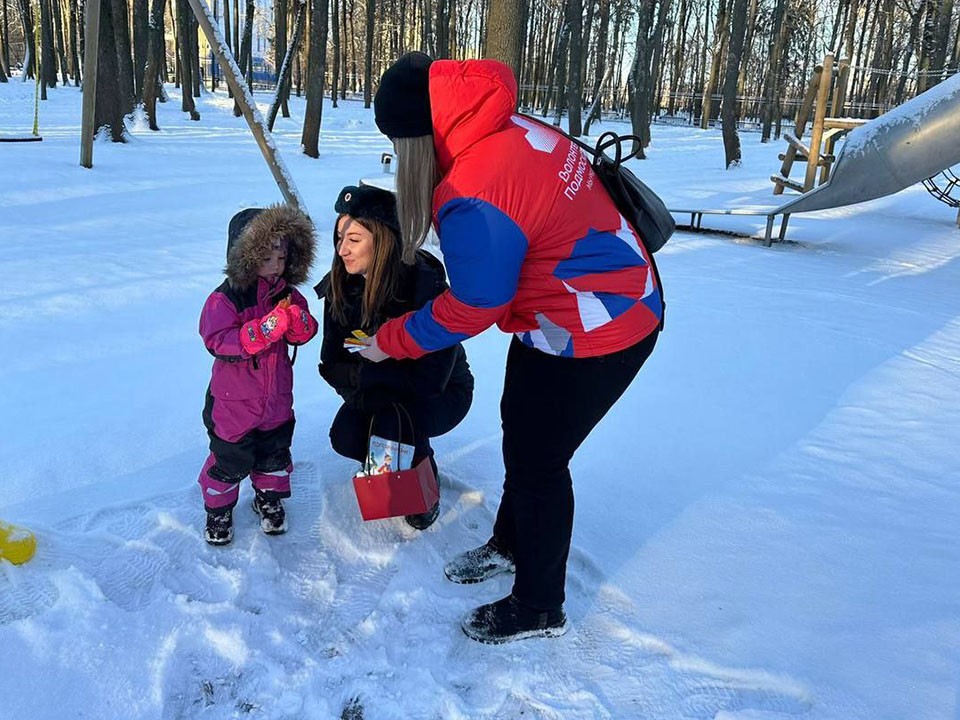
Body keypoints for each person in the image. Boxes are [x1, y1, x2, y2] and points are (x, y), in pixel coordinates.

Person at [363, 53, 663, 643]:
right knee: (519, 433)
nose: (398, 163)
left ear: (415, 140)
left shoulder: (473, 190)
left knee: (541, 462)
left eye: (397, 148)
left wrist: (392, 341)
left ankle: (538, 606)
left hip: (601, 327)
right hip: (560, 315)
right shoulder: (501, 123)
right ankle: (511, 541)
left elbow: (476, 306)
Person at [316, 185, 474, 531]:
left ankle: (422, 488)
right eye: (339, 236)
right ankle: (393, 463)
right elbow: (330, 361)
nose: (341, 249)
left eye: (354, 239)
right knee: (346, 436)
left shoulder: (423, 285)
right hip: (376, 387)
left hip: (443, 392)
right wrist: (361, 387)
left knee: (393, 427)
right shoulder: (341, 285)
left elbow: (431, 378)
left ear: (383, 239)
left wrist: (370, 380)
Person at [197, 205, 318, 545]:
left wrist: (298, 324)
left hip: (276, 399)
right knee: (229, 459)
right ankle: (218, 508)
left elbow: (304, 333)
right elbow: (217, 339)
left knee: (274, 453)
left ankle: (269, 498)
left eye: (281, 259)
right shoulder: (225, 299)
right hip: (234, 402)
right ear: (246, 258)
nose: (276, 267)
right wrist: (260, 331)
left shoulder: (288, 295)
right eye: (267, 259)